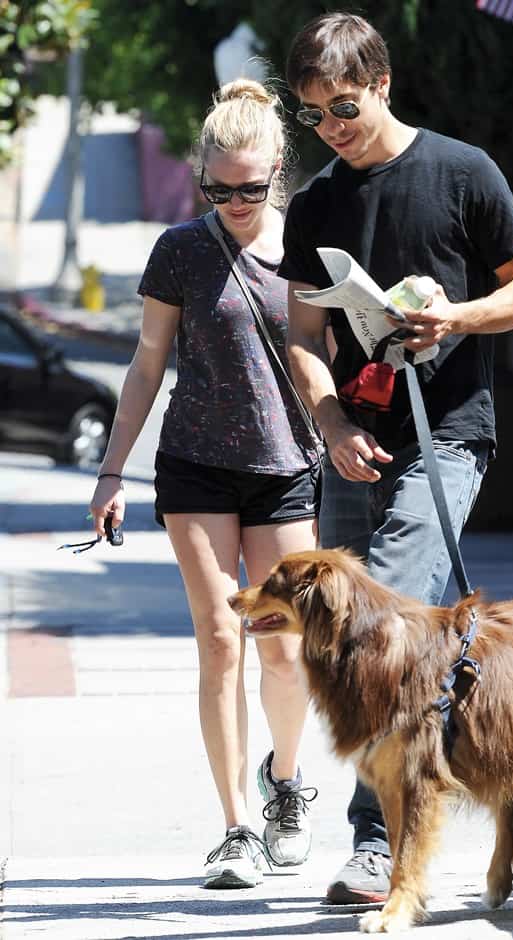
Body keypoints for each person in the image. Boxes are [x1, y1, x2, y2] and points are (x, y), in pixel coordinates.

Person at [280, 13, 513, 905]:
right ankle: (404, 815)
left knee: (386, 622)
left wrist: (456, 319)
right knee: (345, 635)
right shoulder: (318, 201)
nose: (333, 128)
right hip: (355, 439)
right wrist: (329, 421)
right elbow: (305, 335)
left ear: (383, 83)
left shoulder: (463, 171)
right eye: (314, 115)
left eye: (344, 106)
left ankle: (376, 845)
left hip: (450, 433)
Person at [89, 79, 320, 890]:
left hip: (287, 464)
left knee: (285, 649)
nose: (233, 202)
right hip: (192, 464)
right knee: (222, 639)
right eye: (217, 189)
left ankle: (285, 786)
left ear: (279, 172)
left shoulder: (309, 246)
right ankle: (233, 830)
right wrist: (114, 468)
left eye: (249, 190)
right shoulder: (180, 251)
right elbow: (148, 363)